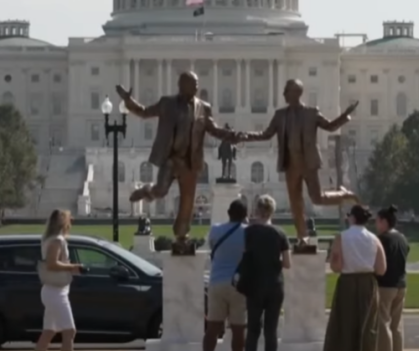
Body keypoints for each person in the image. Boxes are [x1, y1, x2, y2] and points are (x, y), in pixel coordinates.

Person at [116, 72, 237, 251]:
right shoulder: (167, 103)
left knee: (187, 203)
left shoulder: (204, 107)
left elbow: (214, 129)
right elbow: (144, 112)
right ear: (182, 85)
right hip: (171, 159)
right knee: (161, 190)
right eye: (193, 83)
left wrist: (232, 135)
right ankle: (147, 190)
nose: (197, 87)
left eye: (197, 83)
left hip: (191, 162)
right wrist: (128, 100)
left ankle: (182, 238)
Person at [232, 79, 359, 248]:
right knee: (295, 204)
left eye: (287, 91)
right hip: (290, 164)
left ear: (296, 93)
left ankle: (343, 194)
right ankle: (302, 238)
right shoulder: (280, 115)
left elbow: (330, 127)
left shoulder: (312, 113)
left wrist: (345, 115)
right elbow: (266, 134)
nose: (284, 94)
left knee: (317, 198)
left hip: (308, 162)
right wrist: (246, 136)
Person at [324, 204, 387, 351]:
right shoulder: (374, 239)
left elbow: (336, 267)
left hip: (347, 283)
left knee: (345, 324)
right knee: (367, 325)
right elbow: (381, 269)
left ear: (352, 218)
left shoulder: (341, 237)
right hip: (368, 283)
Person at [241, 195, 291, 351]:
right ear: (272, 212)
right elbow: (287, 263)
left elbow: (241, 257)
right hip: (275, 285)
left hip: (254, 285)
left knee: (253, 329)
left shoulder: (248, 232)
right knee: (271, 330)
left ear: (257, 210)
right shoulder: (280, 233)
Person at [204, 199, 248, 351]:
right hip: (239, 284)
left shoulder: (215, 230)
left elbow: (212, 248)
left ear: (228, 213)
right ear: (245, 215)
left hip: (217, 281)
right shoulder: (248, 232)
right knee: (238, 330)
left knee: (212, 329)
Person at [35, 209, 82, 351]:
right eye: (69, 219)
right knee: (69, 331)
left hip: (54, 290)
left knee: (49, 331)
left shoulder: (51, 239)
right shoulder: (56, 240)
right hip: (56, 292)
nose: (71, 222)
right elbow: (51, 264)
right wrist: (72, 267)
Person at [374, 206, 409, 351]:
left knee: (383, 323)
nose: (376, 224)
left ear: (384, 221)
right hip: (401, 284)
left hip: (385, 285)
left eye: (377, 221)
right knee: (397, 325)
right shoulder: (402, 238)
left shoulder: (382, 239)